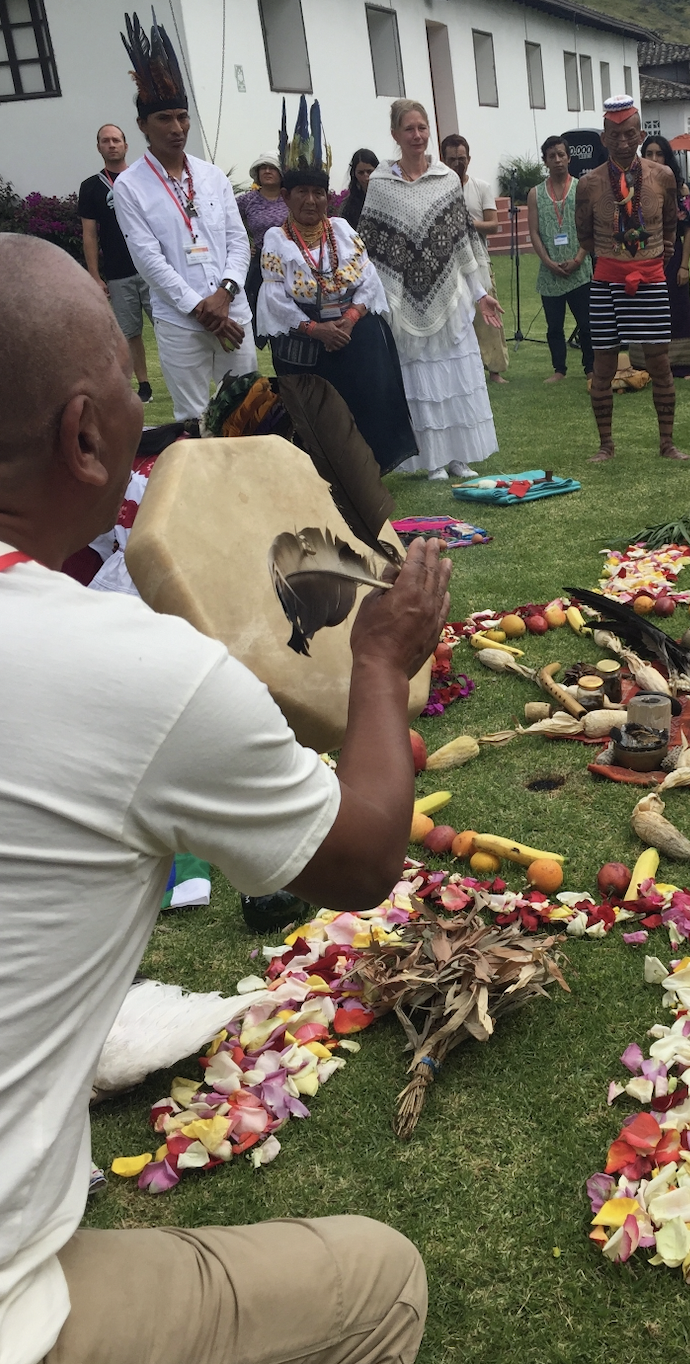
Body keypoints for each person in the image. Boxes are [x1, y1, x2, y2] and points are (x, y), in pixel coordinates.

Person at [0, 231, 441, 1364]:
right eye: (133, 384)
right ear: (87, 436)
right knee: (378, 1281)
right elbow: (361, 856)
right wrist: (381, 663)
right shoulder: (133, 666)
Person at [111, 15, 254, 421]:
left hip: (233, 314)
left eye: (182, 117)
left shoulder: (210, 175)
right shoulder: (130, 185)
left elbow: (238, 240)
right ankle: (201, 487)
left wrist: (225, 294)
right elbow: (148, 260)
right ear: (142, 125)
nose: (177, 128)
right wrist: (200, 308)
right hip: (179, 322)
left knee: (245, 410)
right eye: (164, 119)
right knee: (192, 418)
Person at [256, 121, 419, 475]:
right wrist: (317, 330)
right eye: (302, 192)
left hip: (349, 328)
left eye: (319, 193)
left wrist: (350, 319)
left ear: (328, 196)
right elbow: (274, 300)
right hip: (306, 337)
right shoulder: (276, 240)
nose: (311, 200)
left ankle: (369, 469)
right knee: (317, 414)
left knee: (368, 385)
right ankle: (324, 473)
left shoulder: (342, 230)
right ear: (286, 196)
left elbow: (367, 280)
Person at [358, 99, 501, 480]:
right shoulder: (380, 186)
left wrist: (480, 292)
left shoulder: (447, 180)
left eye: (422, 128)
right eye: (409, 129)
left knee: (456, 376)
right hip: (404, 299)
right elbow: (371, 247)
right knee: (420, 379)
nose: (418, 136)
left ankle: (459, 457)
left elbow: (463, 243)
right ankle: (433, 460)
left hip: (450, 296)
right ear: (395, 135)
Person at [576, 95, 689, 462]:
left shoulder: (663, 176)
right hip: (607, 281)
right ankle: (605, 445)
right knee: (603, 365)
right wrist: (616, 257)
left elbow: (671, 222)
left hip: (651, 280)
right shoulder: (590, 184)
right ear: (603, 138)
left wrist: (665, 246)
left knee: (659, 363)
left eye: (629, 134)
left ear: (641, 133)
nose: (622, 142)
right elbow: (585, 236)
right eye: (614, 135)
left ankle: (667, 443)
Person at [79, 123, 153, 403]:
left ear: (126, 145)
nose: (111, 145)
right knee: (131, 333)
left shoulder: (142, 178)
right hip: (118, 273)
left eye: (116, 140)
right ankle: (144, 384)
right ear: (98, 147)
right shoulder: (90, 187)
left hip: (150, 269)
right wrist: (95, 277)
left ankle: (176, 377)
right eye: (105, 141)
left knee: (168, 326)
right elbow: (89, 234)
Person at [440, 134, 510, 385]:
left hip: (478, 260)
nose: (457, 164)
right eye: (451, 160)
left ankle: (494, 370)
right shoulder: (436, 189)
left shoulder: (480, 187)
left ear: (469, 159)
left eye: (461, 159)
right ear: (442, 160)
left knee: (487, 316)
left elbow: (493, 225)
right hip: (447, 265)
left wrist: (468, 224)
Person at [526, 133, 593, 384]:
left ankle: (591, 368)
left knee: (587, 325)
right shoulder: (535, 193)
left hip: (579, 269)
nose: (557, 160)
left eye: (561, 155)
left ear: (569, 157)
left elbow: (591, 226)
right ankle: (559, 369)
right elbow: (533, 231)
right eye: (551, 156)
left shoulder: (582, 187)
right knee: (554, 327)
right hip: (550, 272)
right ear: (545, 160)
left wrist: (578, 258)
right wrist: (548, 262)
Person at [638, 133, 690, 379]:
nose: (654, 158)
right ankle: (644, 365)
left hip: (673, 255)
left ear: (667, 157)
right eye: (649, 153)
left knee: (678, 306)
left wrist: (684, 266)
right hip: (644, 255)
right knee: (646, 309)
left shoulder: (679, 188)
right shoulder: (636, 187)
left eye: (658, 153)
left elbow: (689, 230)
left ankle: (682, 365)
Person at [236, 152, 288, 337]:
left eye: (272, 167)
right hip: (261, 263)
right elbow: (226, 222)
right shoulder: (247, 200)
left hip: (291, 261)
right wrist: (244, 244)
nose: (267, 171)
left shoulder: (290, 197)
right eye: (263, 168)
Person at [341, 147, 379, 230]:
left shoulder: (388, 199)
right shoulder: (348, 207)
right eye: (361, 173)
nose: (366, 177)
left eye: (369, 172)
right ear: (354, 174)